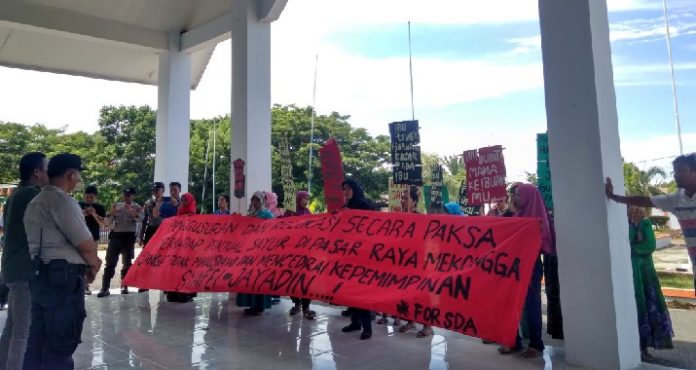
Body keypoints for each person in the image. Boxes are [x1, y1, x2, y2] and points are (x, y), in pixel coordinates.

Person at [23, 153, 102, 370]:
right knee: (61, 344)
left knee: (38, 341)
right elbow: (86, 244)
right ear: (71, 174)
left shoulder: (36, 201)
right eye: (77, 175)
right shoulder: (61, 201)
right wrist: (93, 265)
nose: (78, 180)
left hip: (41, 275)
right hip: (63, 278)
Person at [606, 154, 696, 294]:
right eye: (675, 171)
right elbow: (644, 200)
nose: (676, 175)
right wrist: (613, 197)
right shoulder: (676, 199)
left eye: (681, 170)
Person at [0, 152, 48, 370]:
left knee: (12, 325)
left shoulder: (16, 194)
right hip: (23, 271)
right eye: (47, 169)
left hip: (12, 268)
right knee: (22, 329)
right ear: (37, 172)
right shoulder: (31, 194)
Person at [498, 183, 548, 358]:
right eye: (515, 195)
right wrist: (510, 211)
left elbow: (541, 241)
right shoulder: (517, 214)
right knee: (511, 302)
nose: (515, 198)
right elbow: (500, 227)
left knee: (532, 304)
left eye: (519, 195)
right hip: (514, 264)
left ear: (528, 197)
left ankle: (536, 344)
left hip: (531, 264)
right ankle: (513, 341)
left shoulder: (538, 219)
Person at [628, 206, 674, 361]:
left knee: (647, 306)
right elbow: (625, 243)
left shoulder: (645, 224)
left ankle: (644, 348)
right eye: (629, 209)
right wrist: (634, 233)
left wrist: (631, 246)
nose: (632, 212)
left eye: (635, 209)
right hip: (630, 274)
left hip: (645, 274)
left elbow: (649, 245)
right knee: (633, 309)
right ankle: (635, 348)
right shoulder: (626, 225)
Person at [340, 179, 374, 340]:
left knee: (362, 292)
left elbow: (370, 229)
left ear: (354, 189)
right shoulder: (345, 208)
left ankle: (367, 328)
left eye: (348, 188)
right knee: (351, 291)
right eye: (344, 189)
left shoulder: (363, 206)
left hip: (362, 256)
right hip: (348, 255)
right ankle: (355, 322)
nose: (345, 191)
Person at [97, 188, 142, 297]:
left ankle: (124, 285)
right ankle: (105, 288)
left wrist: (130, 209)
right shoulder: (116, 206)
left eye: (129, 195)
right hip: (116, 236)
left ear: (133, 196)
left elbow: (140, 219)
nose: (126, 197)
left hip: (129, 237)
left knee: (127, 263)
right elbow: (107, 222)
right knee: (110, 262)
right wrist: (111, 212)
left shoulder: (138, 207)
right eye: (125, 195)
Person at [235, 191, 274, 315]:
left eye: (257, 200)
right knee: (249, 278)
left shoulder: (267, 213)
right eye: (253, 200)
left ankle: (259, 306)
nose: (255, 203)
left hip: (261, 252)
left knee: (258, 278)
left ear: (262, 201)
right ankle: (251, 305)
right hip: (249, 251)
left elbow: (272, 230)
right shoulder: (250, 213)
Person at [286, 191, 316, 319]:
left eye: (308, 198)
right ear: (298, 199)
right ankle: (296, 304)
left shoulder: (309, 213)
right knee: (292, 280)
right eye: (304, 198)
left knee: (306, 281)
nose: (306, 201)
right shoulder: (290, 212)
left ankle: (306, 307)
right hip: (292, 253)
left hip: (306, 254)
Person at [164, 193, 198, 303]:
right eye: (182, 199)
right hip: (177, 244)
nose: (183, 201)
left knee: (186, 269)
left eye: (185, 199)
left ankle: (186, 293)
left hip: (189, 246)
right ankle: (173, 292)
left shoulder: (192, 210)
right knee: (175, 267)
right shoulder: (180, 209)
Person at [78, 185, 106, 295]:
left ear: (95, 197)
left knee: (93, 262)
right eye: (87, 197)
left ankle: (86, 283)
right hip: (79, 237)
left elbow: (103, 223)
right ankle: (82, 285)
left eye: (91, 197)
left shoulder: (99, 207)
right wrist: (83, 214)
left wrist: (94, 214)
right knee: (81, 261)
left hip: (93, 238)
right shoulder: (78, 205)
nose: (88, 199)